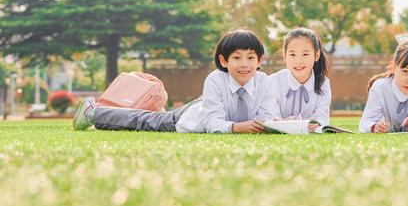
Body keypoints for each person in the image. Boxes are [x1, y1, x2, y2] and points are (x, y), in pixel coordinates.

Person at [72, 29, 279, 134]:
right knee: (146, 122)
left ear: (260, 60)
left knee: (152, 118)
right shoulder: (215, 80)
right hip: (192, 117)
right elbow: (213, 124)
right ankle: (93, 112)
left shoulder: (264, 82)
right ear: (224, 61)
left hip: (205, 108)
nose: (245, 64)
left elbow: (268, 118)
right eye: (237, 58)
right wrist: (240, 128)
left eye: (251, 58)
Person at [268, 28, 331, 130]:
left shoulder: (323, 83)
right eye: (292, 54)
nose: (298, 61)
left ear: (316, 55)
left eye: (305, 54)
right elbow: (270, 117)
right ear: (285, 56)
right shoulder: (273, 81)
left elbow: (322, 117)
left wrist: (315, 124)